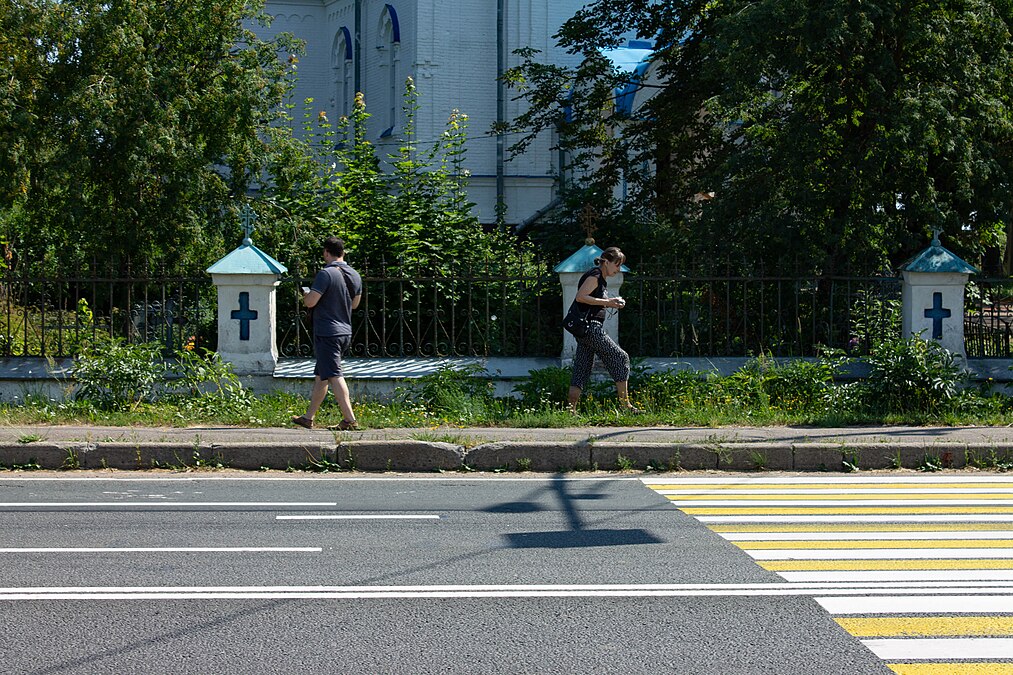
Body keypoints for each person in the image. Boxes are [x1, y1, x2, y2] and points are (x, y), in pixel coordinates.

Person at [291, 236, 363, 430]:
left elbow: (311, 302)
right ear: (343, 252)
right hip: (345, 331)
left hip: (327, 332)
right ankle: (308, 417)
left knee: (333, 374)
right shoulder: (355, 274)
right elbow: (354, 305)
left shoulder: (326, 274)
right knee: (321, 376)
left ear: (326, 253)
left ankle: (349, 420)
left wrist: (306, 295)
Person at [567, 246, 638, 413]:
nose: (618, 269)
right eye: (617, 265)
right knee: (621, 357)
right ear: (606, 262)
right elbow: (581, 297)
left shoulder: (599, 278)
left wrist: (611, 302)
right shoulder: (596, 275)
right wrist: (609, 302)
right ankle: (625, 405)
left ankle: (570, 410)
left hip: (585, 329)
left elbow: (592, 299)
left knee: (582, 368)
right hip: (591, 328)